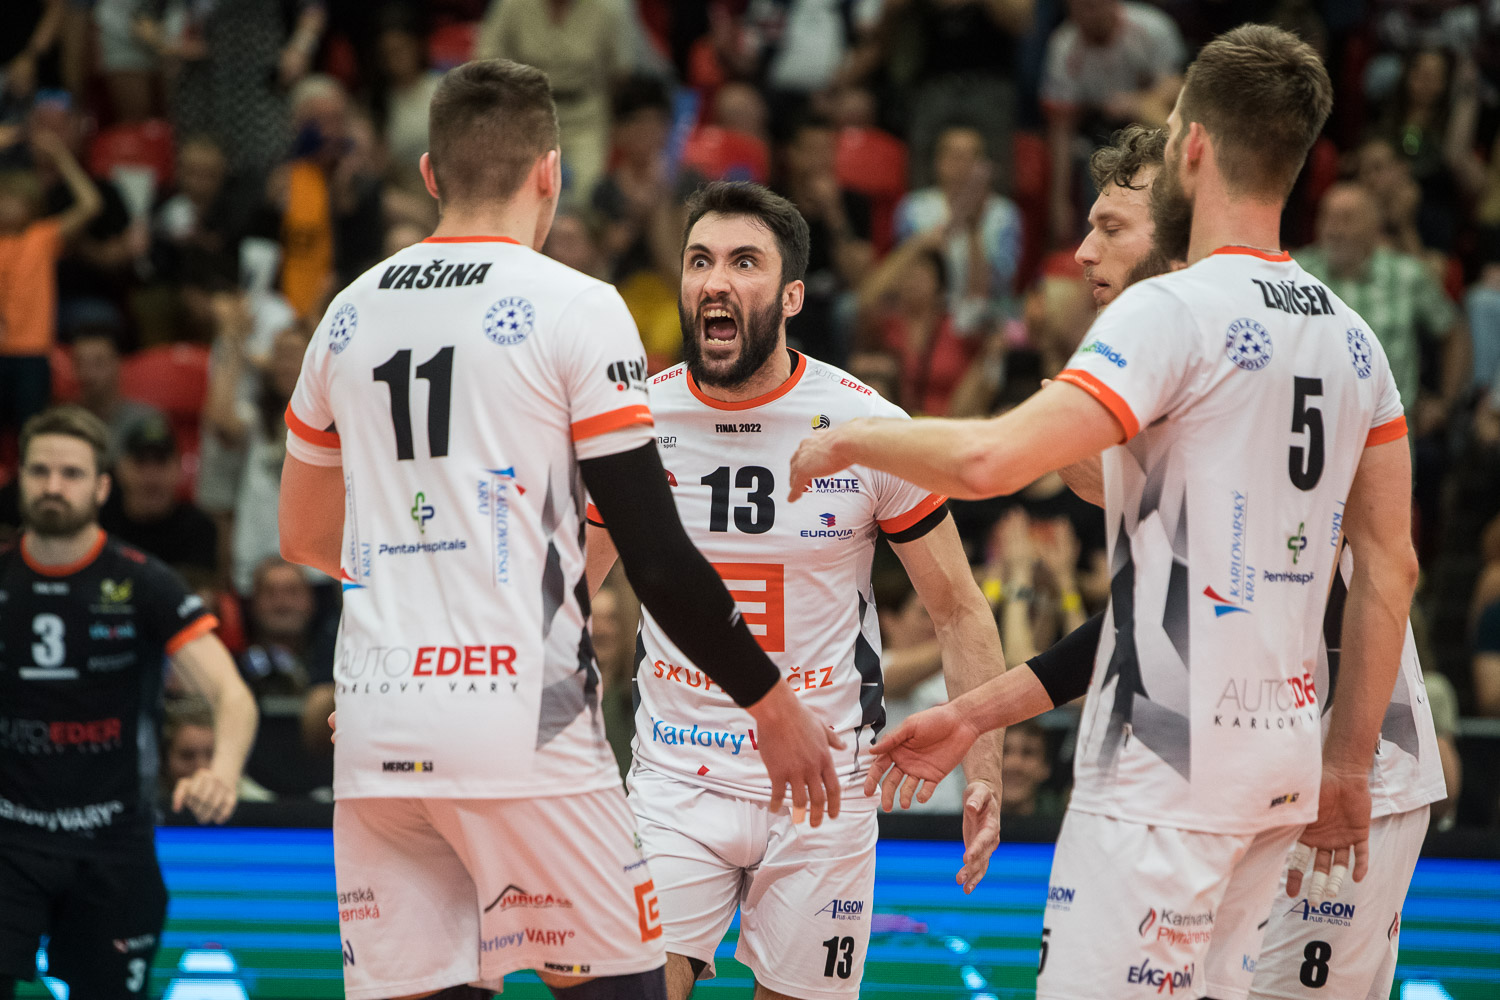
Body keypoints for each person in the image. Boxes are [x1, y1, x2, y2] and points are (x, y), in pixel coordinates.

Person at [787, 25, 1420, 1000]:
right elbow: (1390, 566)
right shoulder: (1355, 337)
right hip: (1288, 756)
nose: (1086, 250)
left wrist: (851, 437)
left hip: (1170, 756)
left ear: (1193, 146)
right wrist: (1343, 767)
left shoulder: (1171, 312)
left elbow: (991, 459)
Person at [276, 59, 841, 1000]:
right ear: (551, 171)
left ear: (429, 173)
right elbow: (655, 556)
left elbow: (303, 535)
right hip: (522, 724)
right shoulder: (577, 305)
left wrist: (418, 617)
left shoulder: (348, 313)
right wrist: (772, 704)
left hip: (377, 723)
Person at [583, 181, 1005, 1000]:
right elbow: (561, 590)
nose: (716, 281)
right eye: (700, 261)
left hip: (826, 783)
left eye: (745, 263)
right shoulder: (634, 421)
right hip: (676, 776)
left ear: (792, 296)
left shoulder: (865, 425)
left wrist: (983, 764)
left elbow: (958, 609)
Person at [1062, 126, 1449, 1000]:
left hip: (1345, 756)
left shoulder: (1260, 350)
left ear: (1178, 234)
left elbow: (1371, 570)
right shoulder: (1181, 361)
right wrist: (976, 712)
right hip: (1247, 762)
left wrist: (880, 441)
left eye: (1112, 228)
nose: (1084, 251)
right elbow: (1145, 623)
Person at [0, 405, 257, 1000]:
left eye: (71, 473)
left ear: (102, 486)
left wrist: (222, 773)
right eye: (40, 471)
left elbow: (232, 695)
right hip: (8, 837)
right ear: (20, 480)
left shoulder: (143, 582)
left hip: (112, 842)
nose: (54, 486)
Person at [98, 413, 218, 575]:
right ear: (120, 468)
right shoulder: (97, 523)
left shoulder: (198, 529)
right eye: (141, 461)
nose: (151, 475)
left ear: (178, 467)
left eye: (161, 461)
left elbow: (198, 588)